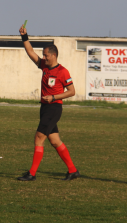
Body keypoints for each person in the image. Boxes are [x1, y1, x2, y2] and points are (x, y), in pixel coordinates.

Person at [16, 24, 80, 181]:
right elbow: (30, 52)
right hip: (45, 108)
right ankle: (73, 170)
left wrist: (54, 97)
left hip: (54, 108)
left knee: (39, 138)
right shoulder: (44, 66)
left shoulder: (62, 71)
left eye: (46, 55)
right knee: (54, 140)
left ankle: (31, 174)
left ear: (54, 55)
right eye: (43, 55)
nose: (43, 57)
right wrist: (25, 36)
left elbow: (72, 91)